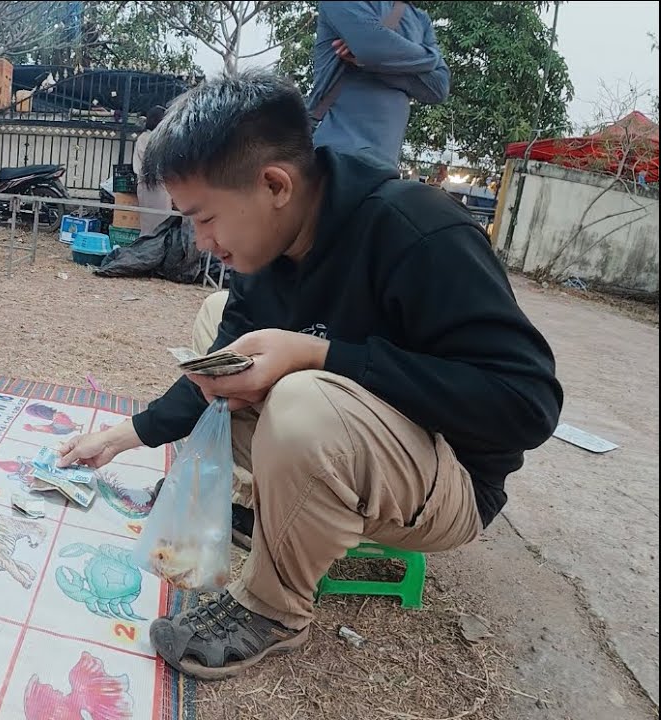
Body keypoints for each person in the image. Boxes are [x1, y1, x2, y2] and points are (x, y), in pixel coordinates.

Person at [57, 72, 562, 679]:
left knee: (302, 396)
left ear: (274, 184)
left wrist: (320, 355)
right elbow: (218, 368)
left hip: (447, 478)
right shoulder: (265, 249)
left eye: (205, 217)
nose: (201, 240)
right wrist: (119, 438)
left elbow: (527, 405)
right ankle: (260, 511)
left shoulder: (416, 229)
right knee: (222, 325)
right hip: (353, 437)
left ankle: (272, 607)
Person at [306, 1, 450, 168]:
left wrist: (368, 61)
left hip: (385, 163)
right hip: (332, 149)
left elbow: (439, 87)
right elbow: (371, 49)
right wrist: (430, 59)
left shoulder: (420, 18)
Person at [133, 105, 174, 237]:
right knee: (156, 224)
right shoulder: (150, 139)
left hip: (149, 185)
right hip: (155, 185)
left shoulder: (145, 138)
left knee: (151, 224)